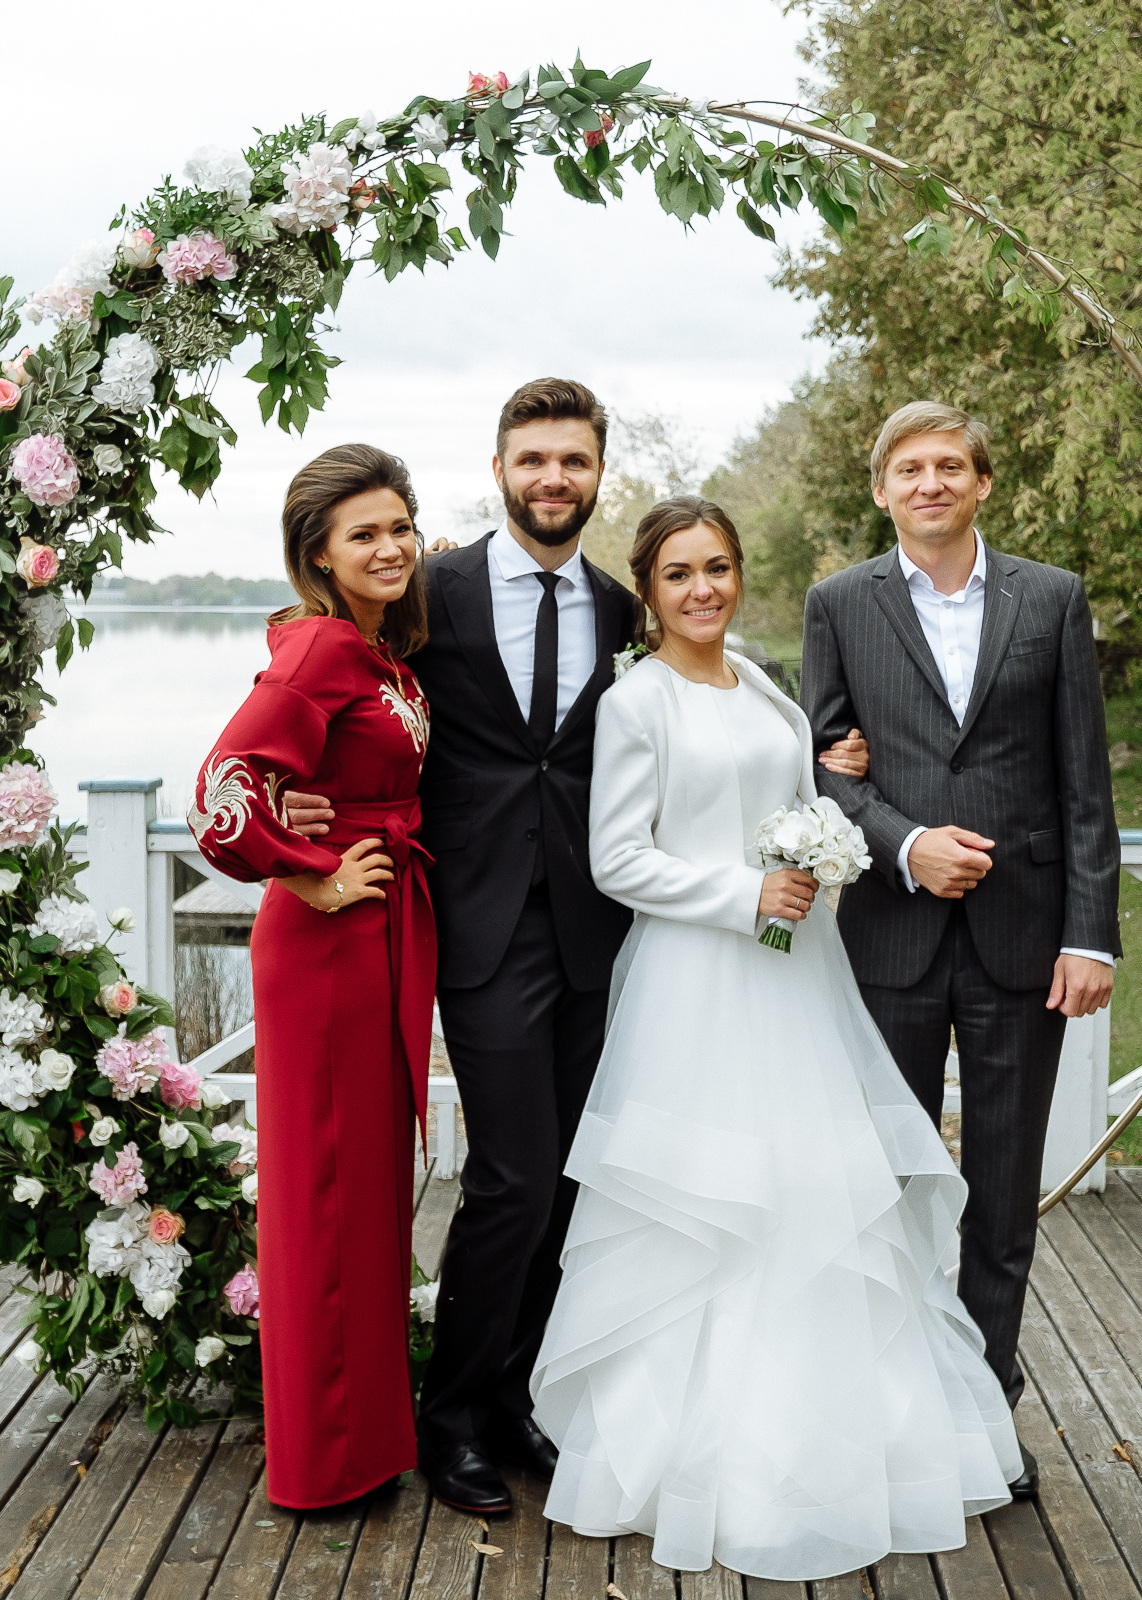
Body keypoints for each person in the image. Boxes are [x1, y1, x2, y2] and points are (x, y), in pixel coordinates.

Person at [280, 382, 871, 1517]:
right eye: (535, 457)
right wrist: (298, 798)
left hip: (612, 938)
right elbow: (329, 669)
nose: (555, 477)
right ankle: (447, 1417)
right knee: (507, 1174)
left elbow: (703, 715)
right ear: (501, 465)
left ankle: (522, 1397)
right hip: (484, 923)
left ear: (600, 474)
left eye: (576, 460)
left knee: (575, 1173)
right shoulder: (427, 586)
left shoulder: (617, 609)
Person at [531, 496, 1018, 1577]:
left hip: (798, 976)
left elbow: (798, 794)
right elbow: (620, 859)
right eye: (678, 575)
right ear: (648, 593)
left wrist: (828, 806)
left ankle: (846, 1440)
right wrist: (740, 894)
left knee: (815, 1197)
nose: (703, 589)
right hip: (698, 977)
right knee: (709, 1211)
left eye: (718, 567)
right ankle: (689, 1461)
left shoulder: (758, 680)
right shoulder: (636, 702)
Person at [802, 401, 1121, 1499]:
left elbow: (1085, 780)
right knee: (888, 1185)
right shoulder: (839, 603)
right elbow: (824, 769)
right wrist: (905, 844)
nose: (930, 481)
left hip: (1024, 943)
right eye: (909, 467)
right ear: (881, 488)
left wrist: (1092, 934)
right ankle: (892, 1411)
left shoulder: (1052, 599)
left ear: (983, 482)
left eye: (950, 465)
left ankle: (984, 1418)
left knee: (999, 1194)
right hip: (887, 937)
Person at [188, 443, 435, 1511]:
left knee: (365, 1188)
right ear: (319, 555)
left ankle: (368, 1439)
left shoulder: (381, 654)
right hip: (328, 942)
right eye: (362, 534)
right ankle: (324, 1462)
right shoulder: (321, 651)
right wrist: (311, 872)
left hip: (378, 931)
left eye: (399, 527)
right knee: (327, 1190)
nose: (388, 547)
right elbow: (221, 788)